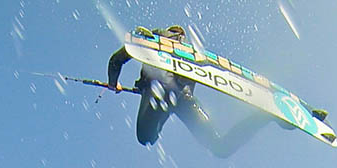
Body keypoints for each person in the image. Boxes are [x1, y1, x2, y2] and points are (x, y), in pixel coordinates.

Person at [107, 25, 308, 158]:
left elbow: (116, 60)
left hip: (161, 91)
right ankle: (264, 115)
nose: (179, 38)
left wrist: (112, 82)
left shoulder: (151, 43)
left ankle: (160, 98)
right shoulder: (194, 57)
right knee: (220, 148)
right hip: (184, 101)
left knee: (146, 138)